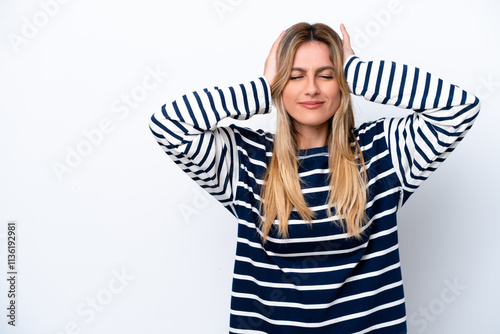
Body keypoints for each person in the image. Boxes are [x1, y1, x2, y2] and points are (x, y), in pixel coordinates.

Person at [149, 22, 480, 334]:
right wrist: (262, 89)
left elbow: (459, 110)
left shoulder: (383, 153)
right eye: (295, 77)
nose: (311, 89)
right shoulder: (244, 161)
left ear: (343, 84)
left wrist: (357, 71)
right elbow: (168, 126)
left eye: (326, 75)